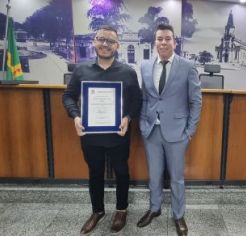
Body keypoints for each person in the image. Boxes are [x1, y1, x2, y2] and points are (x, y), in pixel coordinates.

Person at [62, 25, 142, 235]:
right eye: (101, 39)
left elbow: (137, 100)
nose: (105, 44)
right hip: (90, 135)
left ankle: (121, 210)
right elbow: (68, 96)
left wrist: (128, 117)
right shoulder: (81, 70)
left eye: (110, 41)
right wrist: (75, 116)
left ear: (117, 46)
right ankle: (97, 211)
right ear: (94, 42)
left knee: (122, 172)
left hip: (118, 135)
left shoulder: (127, 72)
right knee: (94, 173)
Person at [137, 24, 202, 236]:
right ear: (154, 42)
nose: (163, 42)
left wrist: (190, 130)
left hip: (177, 132)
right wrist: (142, 123)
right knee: (154, 176)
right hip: (151, 131)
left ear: (174, 42)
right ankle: (154, 209)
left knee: (176, 177)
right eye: (159, 39)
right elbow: (145, 98)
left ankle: (178, 214)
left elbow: (196, 101)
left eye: (167, 39)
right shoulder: (145, 66)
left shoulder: (187, 66)